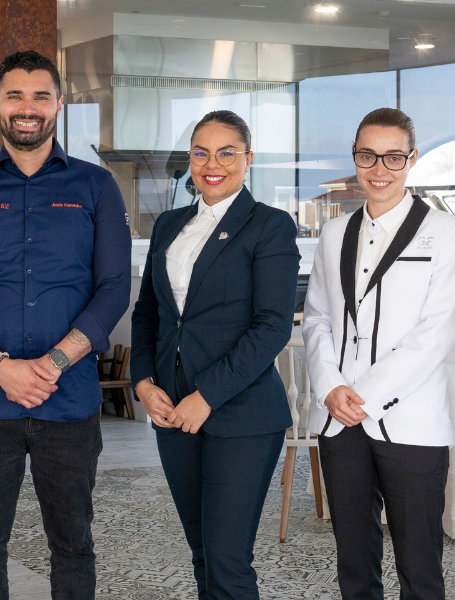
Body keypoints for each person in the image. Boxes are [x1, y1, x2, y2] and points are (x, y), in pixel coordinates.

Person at [0, 50, 131, 600]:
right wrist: (1, 367)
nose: (28, 107)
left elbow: (114, 288)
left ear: (58, 104)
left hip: (69, 401)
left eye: (41, 95)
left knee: (73, 546)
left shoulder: (96, 187)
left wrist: (53, 363)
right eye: (15, 95)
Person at [129, 110, 299, 600]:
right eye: (201, 153)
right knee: (202, 552)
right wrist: (143, 383)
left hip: (241, 414)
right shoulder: (168, 225)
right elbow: (149, 315)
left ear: (248, 159)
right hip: (171, 411)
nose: (212, 164)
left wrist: (205, 397)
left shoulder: (269, 226)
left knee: (227, 559)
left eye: (227, 153)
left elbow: (271, 328)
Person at [300, 108, 455, 600]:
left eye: (393, 157)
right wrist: (331, 388)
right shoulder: (334, 233)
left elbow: (436, 332)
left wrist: (363, 397)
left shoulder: (445, 231)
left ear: (411, 159)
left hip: (411, 421)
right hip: (339, 420)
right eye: (367, 156)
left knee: (420, 566)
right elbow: (317, 318)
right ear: (354, 157)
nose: (379, 169)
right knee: (354, 563)